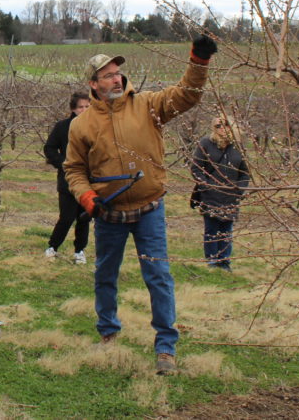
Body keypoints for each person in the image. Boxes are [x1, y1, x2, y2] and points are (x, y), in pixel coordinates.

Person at [64, 37, 217, 376]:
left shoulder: (148, 105)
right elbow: (74, 169)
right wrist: (87, 197)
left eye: (118, 73)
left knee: (158, 276)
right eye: (107, 75)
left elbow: (187, 96)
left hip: (149, 208)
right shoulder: (81, 125)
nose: (116, 79)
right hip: (108, 214)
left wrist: (198, 62)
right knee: (105, 274)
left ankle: (166, 347)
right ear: (93, 84)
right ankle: (108, 332)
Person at [190, 115, 250, 271]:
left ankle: (224, 261)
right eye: (218, 125)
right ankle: (212, 261)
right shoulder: (206, 143)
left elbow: (245, 172)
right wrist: (206, 187)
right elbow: (196, 168)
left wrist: (239, 189)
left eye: (226, 124)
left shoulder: (238, 146)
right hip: (210, 195)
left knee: (226, 230)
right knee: (212, 228)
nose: (222, 128)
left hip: (231, 196)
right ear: (213, 128)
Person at [43, 91, 91, 264]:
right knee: (67, 216)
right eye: (80, 107)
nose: (84, 110)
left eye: (87, 106)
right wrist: (64, 164)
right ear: (73, 108)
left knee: (85, 217)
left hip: (90, 181)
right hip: (68, 181)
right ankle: (52, 246)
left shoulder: (97, 127)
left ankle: (79, 250)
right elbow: (49, 148)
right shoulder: (63, 127)